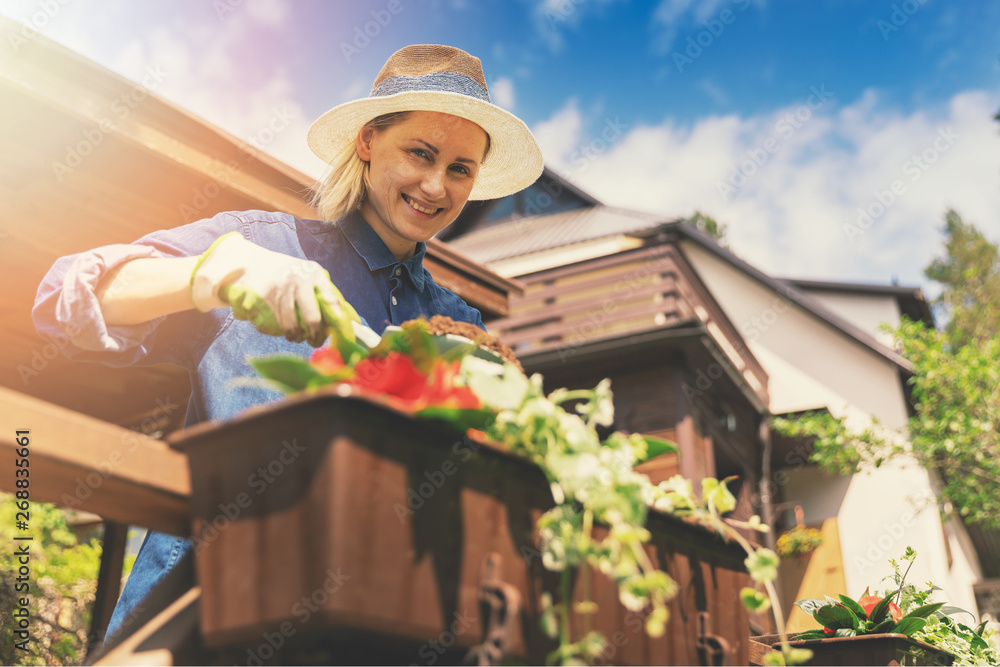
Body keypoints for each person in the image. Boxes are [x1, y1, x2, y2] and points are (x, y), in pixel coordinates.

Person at [32, 44, 543, 644]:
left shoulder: (461, 327)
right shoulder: (262, 247)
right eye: (420, 153)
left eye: (460, 169)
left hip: (381, 636)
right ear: (368, 142)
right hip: (205, 627)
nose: (436, 186)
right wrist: (214, 274)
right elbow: (64, 296)